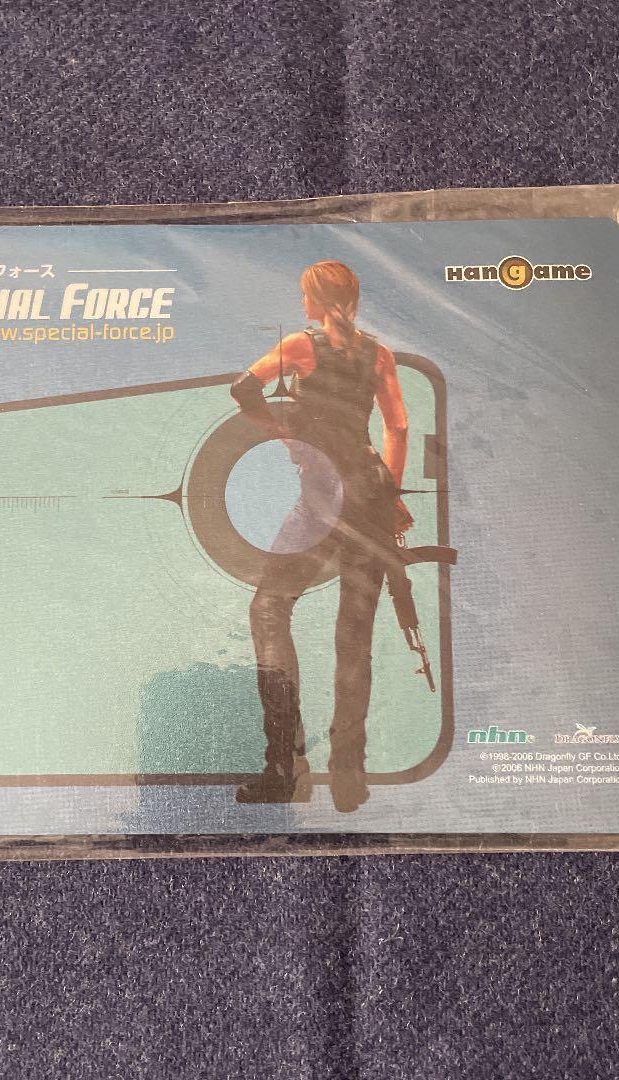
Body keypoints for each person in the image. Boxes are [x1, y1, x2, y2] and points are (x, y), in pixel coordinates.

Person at [230, 260, 412, 812]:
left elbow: (244, 388)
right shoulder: (379, 354)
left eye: (304, 294)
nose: (301, 302)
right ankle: (349, 777)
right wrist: (389, 493)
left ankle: (285, 770)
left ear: (317, 298)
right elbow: (398, 426)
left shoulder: (302, 347)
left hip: (322, 498)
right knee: (354, 638)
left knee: (268, 610)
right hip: (370, 496)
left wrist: (284, 435)